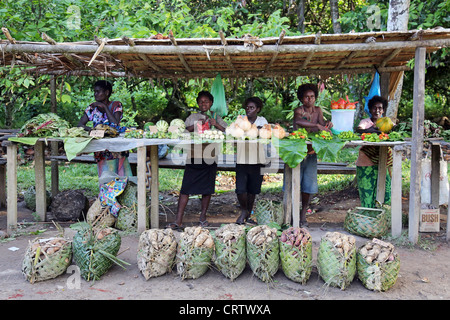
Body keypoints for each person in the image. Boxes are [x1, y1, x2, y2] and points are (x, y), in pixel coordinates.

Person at [167, 91, 227, 231]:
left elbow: (229, 132)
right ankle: (178, 220)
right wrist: (195, 125)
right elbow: (181, 132)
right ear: (198, 104)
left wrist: (216, 124)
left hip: (210, 156)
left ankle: (203, 218)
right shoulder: (192, 117)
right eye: (200, 101)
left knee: (207, 189)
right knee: (185, 188)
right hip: (193, 155)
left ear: (211, 103)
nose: (203, 104)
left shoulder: (217, 117)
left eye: (206, 101)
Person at [292, 83, 333, 227]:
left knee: (308, 186)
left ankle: (303, 213)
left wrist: (326, 124)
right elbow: (298, 121)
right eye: (306, 97)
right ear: (301, 99)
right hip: (296, 152)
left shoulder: (318, 110)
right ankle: (292, 212)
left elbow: (322, 125)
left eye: (312, 97)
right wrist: (316, 126)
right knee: (294, 183)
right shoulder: (299, 110)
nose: (310, 100)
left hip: (311, 152)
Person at [77, 80, 132, 178]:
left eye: (98, 91)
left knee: (122, 177)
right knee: (106, 178)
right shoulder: (92, 108)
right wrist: (92, 130)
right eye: (94, 91)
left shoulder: (116, 105)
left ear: (106, 93)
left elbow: (115, 124)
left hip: (117, 149)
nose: (95, 94)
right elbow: (80, 125)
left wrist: (105, 107)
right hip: (101, 150)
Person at [235, 97, 268, 225]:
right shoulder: (241, 119)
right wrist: (255, 130)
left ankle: (247, 214)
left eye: (252, 107)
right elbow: (236, 131)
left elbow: (264, 131)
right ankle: (243, 211)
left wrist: (251, 130)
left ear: (258, 109)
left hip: (258, 158)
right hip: (242, 158)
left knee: (252, 189)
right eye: (247, 107)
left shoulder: (262, 120)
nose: (248, 110)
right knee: (240, 189)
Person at [355, 95, 392, 208]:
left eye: (380, 108)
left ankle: (383, 216)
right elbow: (360, 130)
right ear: (370, 109)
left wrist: (375, 131)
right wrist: (375, 130)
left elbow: (393, 131)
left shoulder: (387, 122)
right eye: (374, 108)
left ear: (383, 110)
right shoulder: (365, 122)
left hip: (382, 160)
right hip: (366, 158)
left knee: (385, 189)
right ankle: (368, 216)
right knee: (367, 190)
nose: (377, 111)